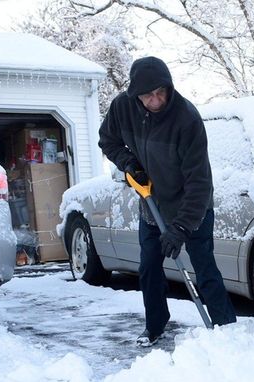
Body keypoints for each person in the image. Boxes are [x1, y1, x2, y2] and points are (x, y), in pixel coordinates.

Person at [98, 56, 237, 347]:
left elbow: (199, 183)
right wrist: (128, 162)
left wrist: (181, 228)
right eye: (148, 95)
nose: (156, 99)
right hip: (152, 204)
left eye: (161, 91)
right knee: (149, 268)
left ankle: (226, 331)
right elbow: (107, 141)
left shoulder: (186, 119)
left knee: (205, 267)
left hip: (192, 207)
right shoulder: (122, 108)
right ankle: (155, 327)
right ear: (136, 94)